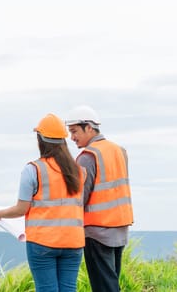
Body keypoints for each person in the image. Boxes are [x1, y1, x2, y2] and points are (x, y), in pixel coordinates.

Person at [0, 113, 86, 292]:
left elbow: (21, 209)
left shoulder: (33, 170)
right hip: (73, 242)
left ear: (40, 139)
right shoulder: (79, 172)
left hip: (43, 243)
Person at [65, 105, 134, 292]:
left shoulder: (88, 156)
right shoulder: (119, 151)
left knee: (104, 287)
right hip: (120, 227)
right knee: (111, 282)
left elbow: (79, 198)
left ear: (89, 127)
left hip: (98, 231)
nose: (72, 137)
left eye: (74, 131)